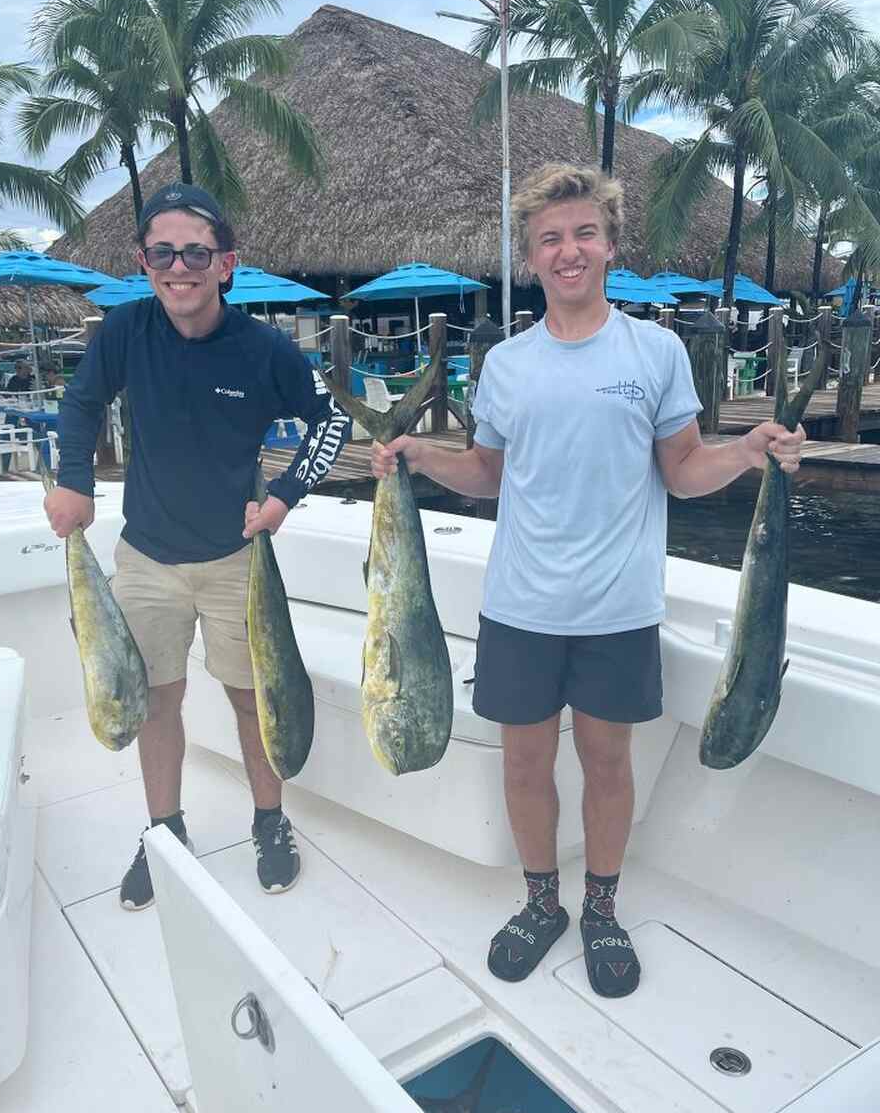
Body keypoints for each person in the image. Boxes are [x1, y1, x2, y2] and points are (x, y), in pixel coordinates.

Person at [370, 163, 806, 997]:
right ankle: (544, 902)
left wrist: (748, 454)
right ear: (530, 258)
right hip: (520, 606)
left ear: (609, 244)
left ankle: (601, 908)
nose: (568, 252)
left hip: (617, 608)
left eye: (582, 234)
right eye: (549, 240)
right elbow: (492, 474)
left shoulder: (656, 351)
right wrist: (424, 458)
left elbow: (681, 471)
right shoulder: (505, 364)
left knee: (609, 763)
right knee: (525, 765)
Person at [44, 182, 349, 910]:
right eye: (162, 252)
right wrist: (73, 480)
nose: (178, 266)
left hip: (236, 562)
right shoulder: (124, 330)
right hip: (145, 556)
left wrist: (284, 498)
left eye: (195, 253)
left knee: (253, 701)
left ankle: (270, 822)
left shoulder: (263, 348)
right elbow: (82, 403)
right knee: (156, 700)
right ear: (143, 261)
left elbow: (330, 422)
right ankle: (165, 833)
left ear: (225, 263)